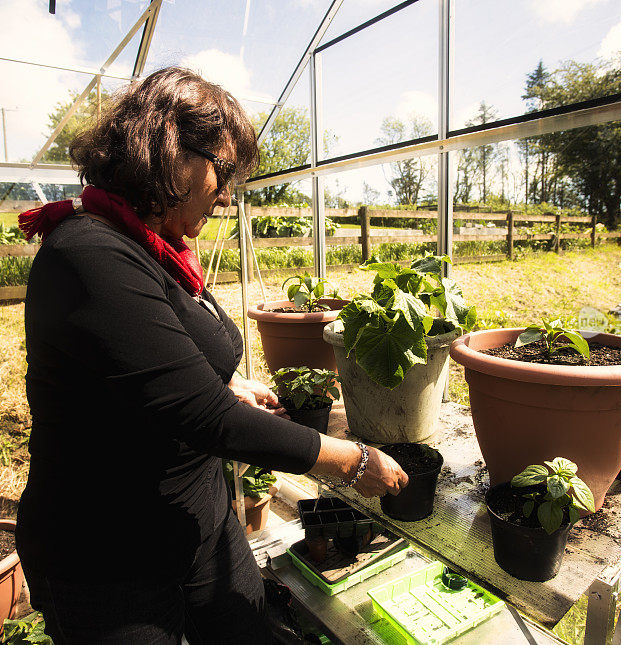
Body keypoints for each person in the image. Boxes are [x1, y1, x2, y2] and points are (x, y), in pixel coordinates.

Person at [16, 67, 408, 644]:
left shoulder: (160, 248)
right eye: (224, 173)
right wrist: (351, 460)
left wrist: (223, 385)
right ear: (170, 152)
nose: (227, 196)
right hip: (106, 557)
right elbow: (202, 416)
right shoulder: (89, 254)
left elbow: (155, 371)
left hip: (198, 520)